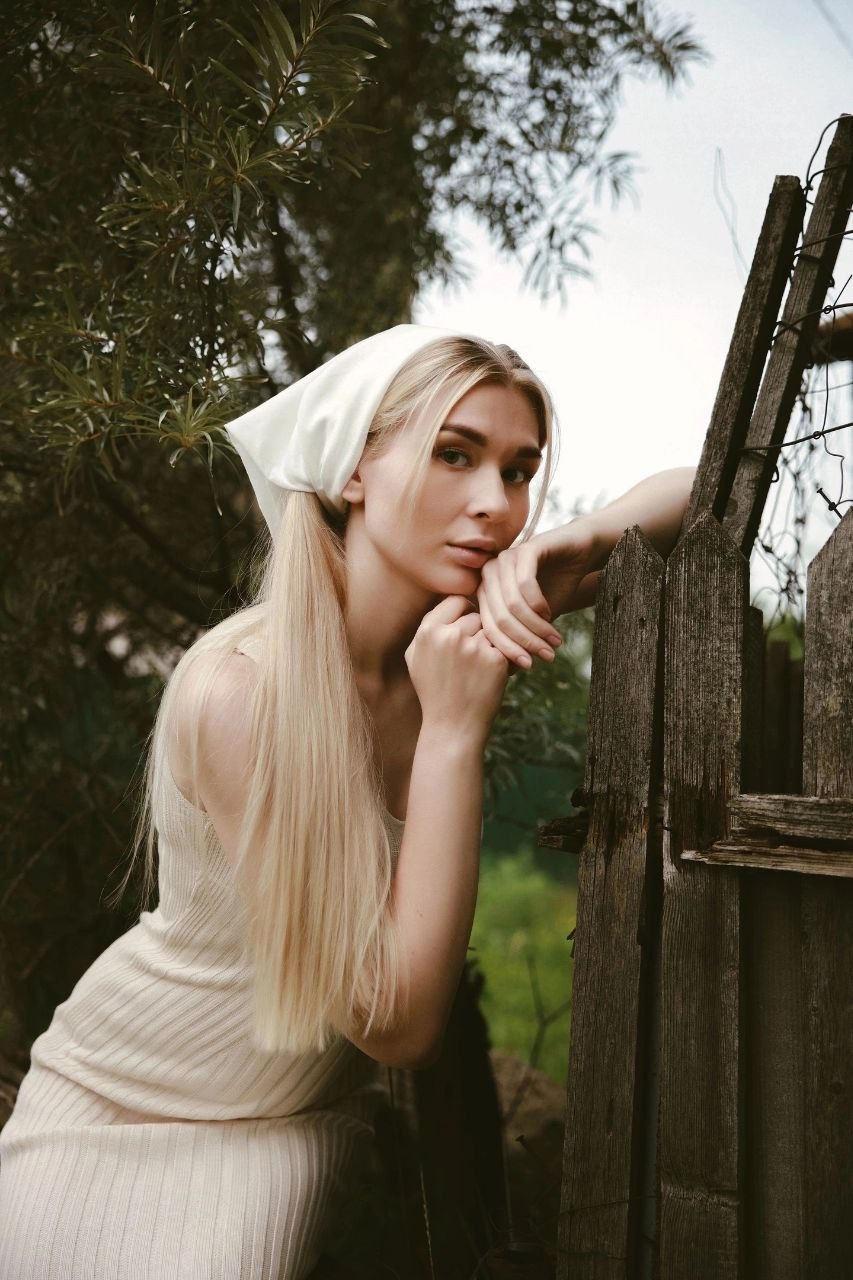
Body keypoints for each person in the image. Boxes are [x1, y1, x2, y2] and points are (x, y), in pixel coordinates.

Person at [0, 324, 694, 1278]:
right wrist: (452, 734)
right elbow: (400, 1026)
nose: (495, 505)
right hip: (124, 1109)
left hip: (285, 1131)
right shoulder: (241, 694)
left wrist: (580, 535)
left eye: (520, 470)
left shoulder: (453, 630)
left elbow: (704, 491)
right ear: (352, 471)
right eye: (455, 455)